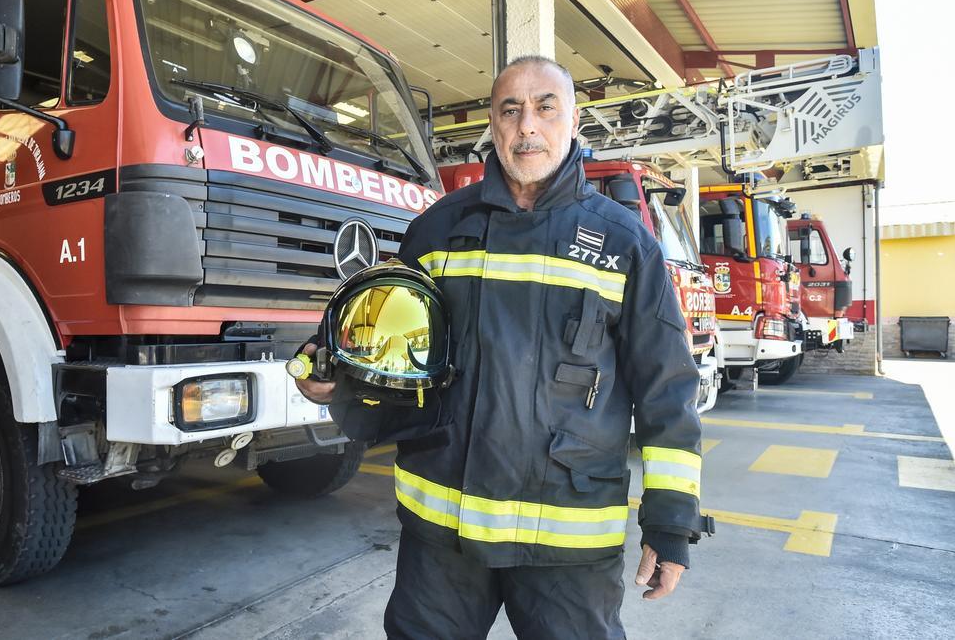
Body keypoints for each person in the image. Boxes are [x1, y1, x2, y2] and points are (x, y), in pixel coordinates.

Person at [296, 56, 705, 639]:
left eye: (545, 107)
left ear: (573, 121)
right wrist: (331, 367)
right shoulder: (438, 229)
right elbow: (385, 333)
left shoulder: (625, 243)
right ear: (492, 122)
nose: (527, 126)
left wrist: (670, 525)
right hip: (442, 539)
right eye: (510, 110)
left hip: (568, 545)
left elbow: (667, 391)